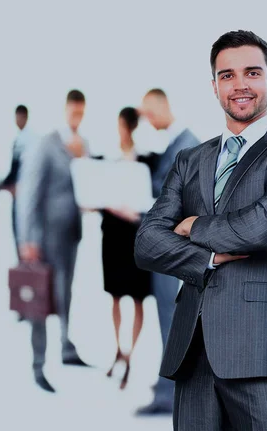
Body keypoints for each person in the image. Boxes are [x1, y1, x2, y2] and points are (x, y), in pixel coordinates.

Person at [135, 30, 267, 430]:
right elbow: (147, 241)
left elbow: (264, 227)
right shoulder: (190, 159)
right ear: (214, 86)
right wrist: (206, 255)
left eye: (252, 73)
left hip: (265, 351)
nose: (240, 84)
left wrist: (193, 226)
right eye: (227, 75)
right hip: (193, 357)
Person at [16, 89, 90, 393]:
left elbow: (85, 183)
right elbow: (29, 191)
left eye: (81, 112)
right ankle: (38, 366)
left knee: (65, 292)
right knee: (39, 299)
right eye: (74, 112)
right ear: (65, 110)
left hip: (71, 233)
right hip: (44, 237)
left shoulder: (83, 144)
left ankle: (66, 346)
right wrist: (27, 238)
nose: (77, 117)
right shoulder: (47, 143)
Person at [134, 88, 200, 416]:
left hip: (173, 252)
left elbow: (180, 205)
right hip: (172, 251)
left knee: (171, 322)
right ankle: (168, 387)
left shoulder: (185, 145)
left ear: (161, 106)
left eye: (148, 112)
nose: (147, 119)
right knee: (171, 321)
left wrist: (139, 207)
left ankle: (170, 394)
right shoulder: (177, 144)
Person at [101, 107, 152, 390]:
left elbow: (151, 196)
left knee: (138, 297)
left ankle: (129, 355)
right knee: (116, 295)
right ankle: (118, 350)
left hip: (136, 233)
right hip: (113, 234)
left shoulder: (146, 156)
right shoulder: (107, 156)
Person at [1, 105, 38, 258]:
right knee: (19, 233)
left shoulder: (28, 139)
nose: (18, 120)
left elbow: (22, 168)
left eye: (20, 117)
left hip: (25, 193)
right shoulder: (20, 138)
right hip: (20, 193)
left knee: (23, 235)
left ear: (25, 117)